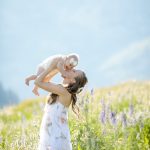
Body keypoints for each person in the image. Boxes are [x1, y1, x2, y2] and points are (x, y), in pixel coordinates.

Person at [34, 65, 88, 150]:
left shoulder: (63, 91)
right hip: (53, 136)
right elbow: (44, 80)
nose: (72, 69)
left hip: (56, 139)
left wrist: (56, 67)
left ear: (73, 80)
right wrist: (57, 69)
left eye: (74, 71)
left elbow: (38, 82)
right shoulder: (63, 90)